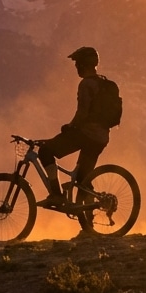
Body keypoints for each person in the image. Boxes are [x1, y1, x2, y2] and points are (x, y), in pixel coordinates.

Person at [37, 46, 113, 209]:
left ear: (83, 65)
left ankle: (56, 195)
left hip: (87, 134)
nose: (75, 67)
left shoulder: (86, 84)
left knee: (45, 151)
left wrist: (70, 126)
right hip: (101, 137)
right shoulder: (103, 83)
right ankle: (88, 223)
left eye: (77, 63)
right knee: (82, 179)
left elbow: (82, 112)